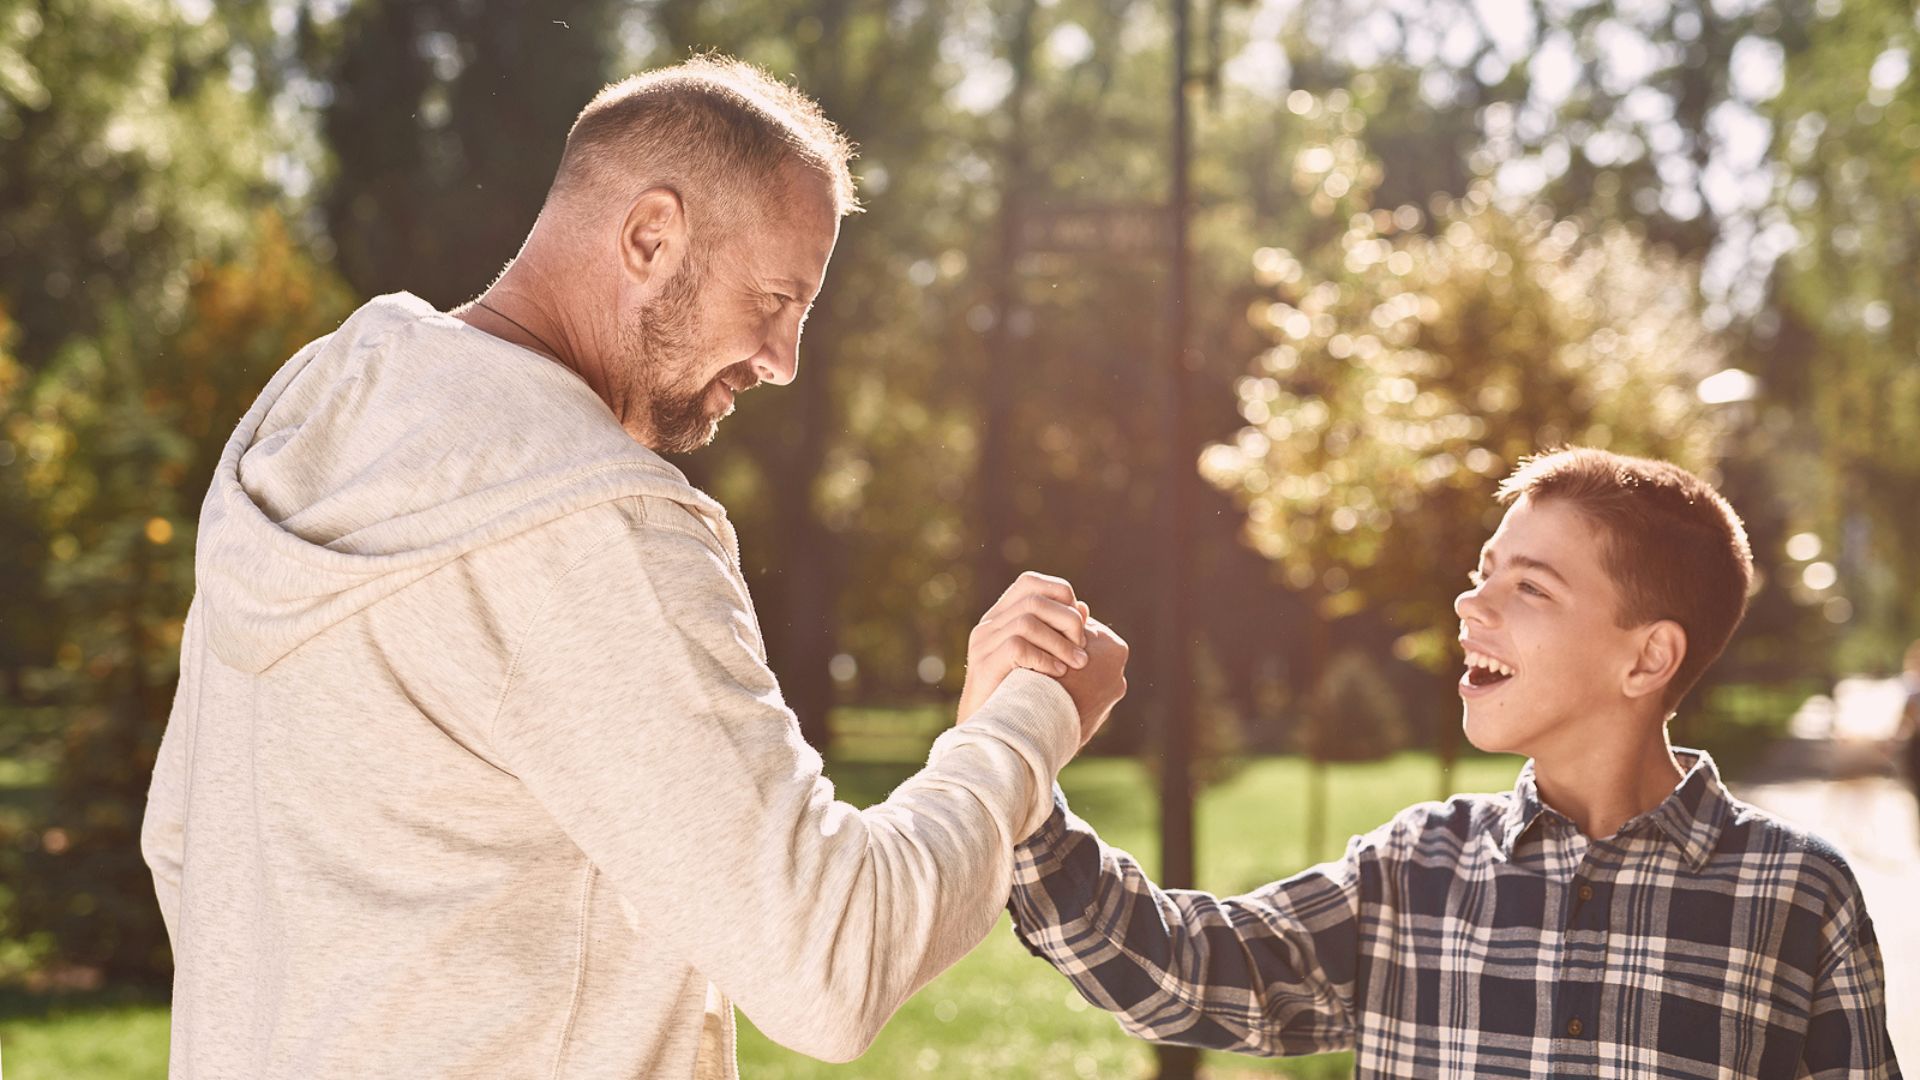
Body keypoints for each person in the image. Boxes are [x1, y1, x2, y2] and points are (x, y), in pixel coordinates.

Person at [140, 57, 1129, 1079]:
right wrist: (1031, 719)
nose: (784, 359)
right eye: (776, 298)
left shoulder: (319, 424)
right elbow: (829, 961)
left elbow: (183, 845)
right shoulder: (590, 519)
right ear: (651, 237)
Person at [1010, 447, 1901, 1078]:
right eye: (1485, 572)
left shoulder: (1796, 896)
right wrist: (1014, 765)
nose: (1471, 603)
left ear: (1647, 658)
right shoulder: (1414, 870)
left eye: (1531, 586)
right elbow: (1182, 969)